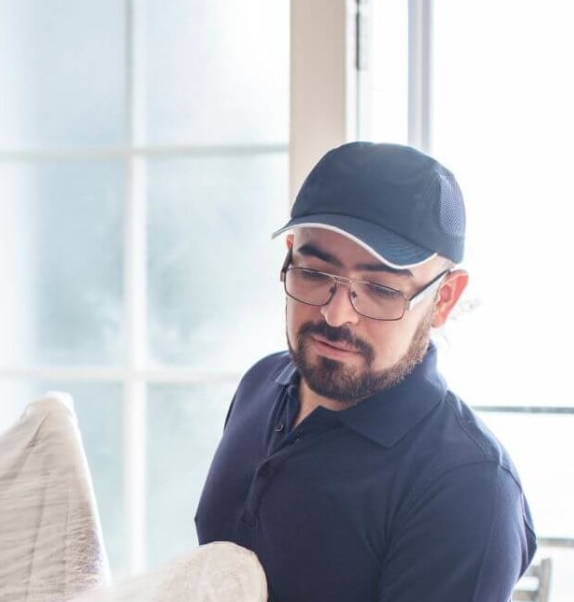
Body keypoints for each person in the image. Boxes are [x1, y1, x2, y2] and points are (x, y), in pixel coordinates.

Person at [195, 142, 535, 601]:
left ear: (445, 298)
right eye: (315, 273)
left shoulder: (468, 489)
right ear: (290, 255)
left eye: (379, 289)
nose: (337, 316)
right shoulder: (261, 384)